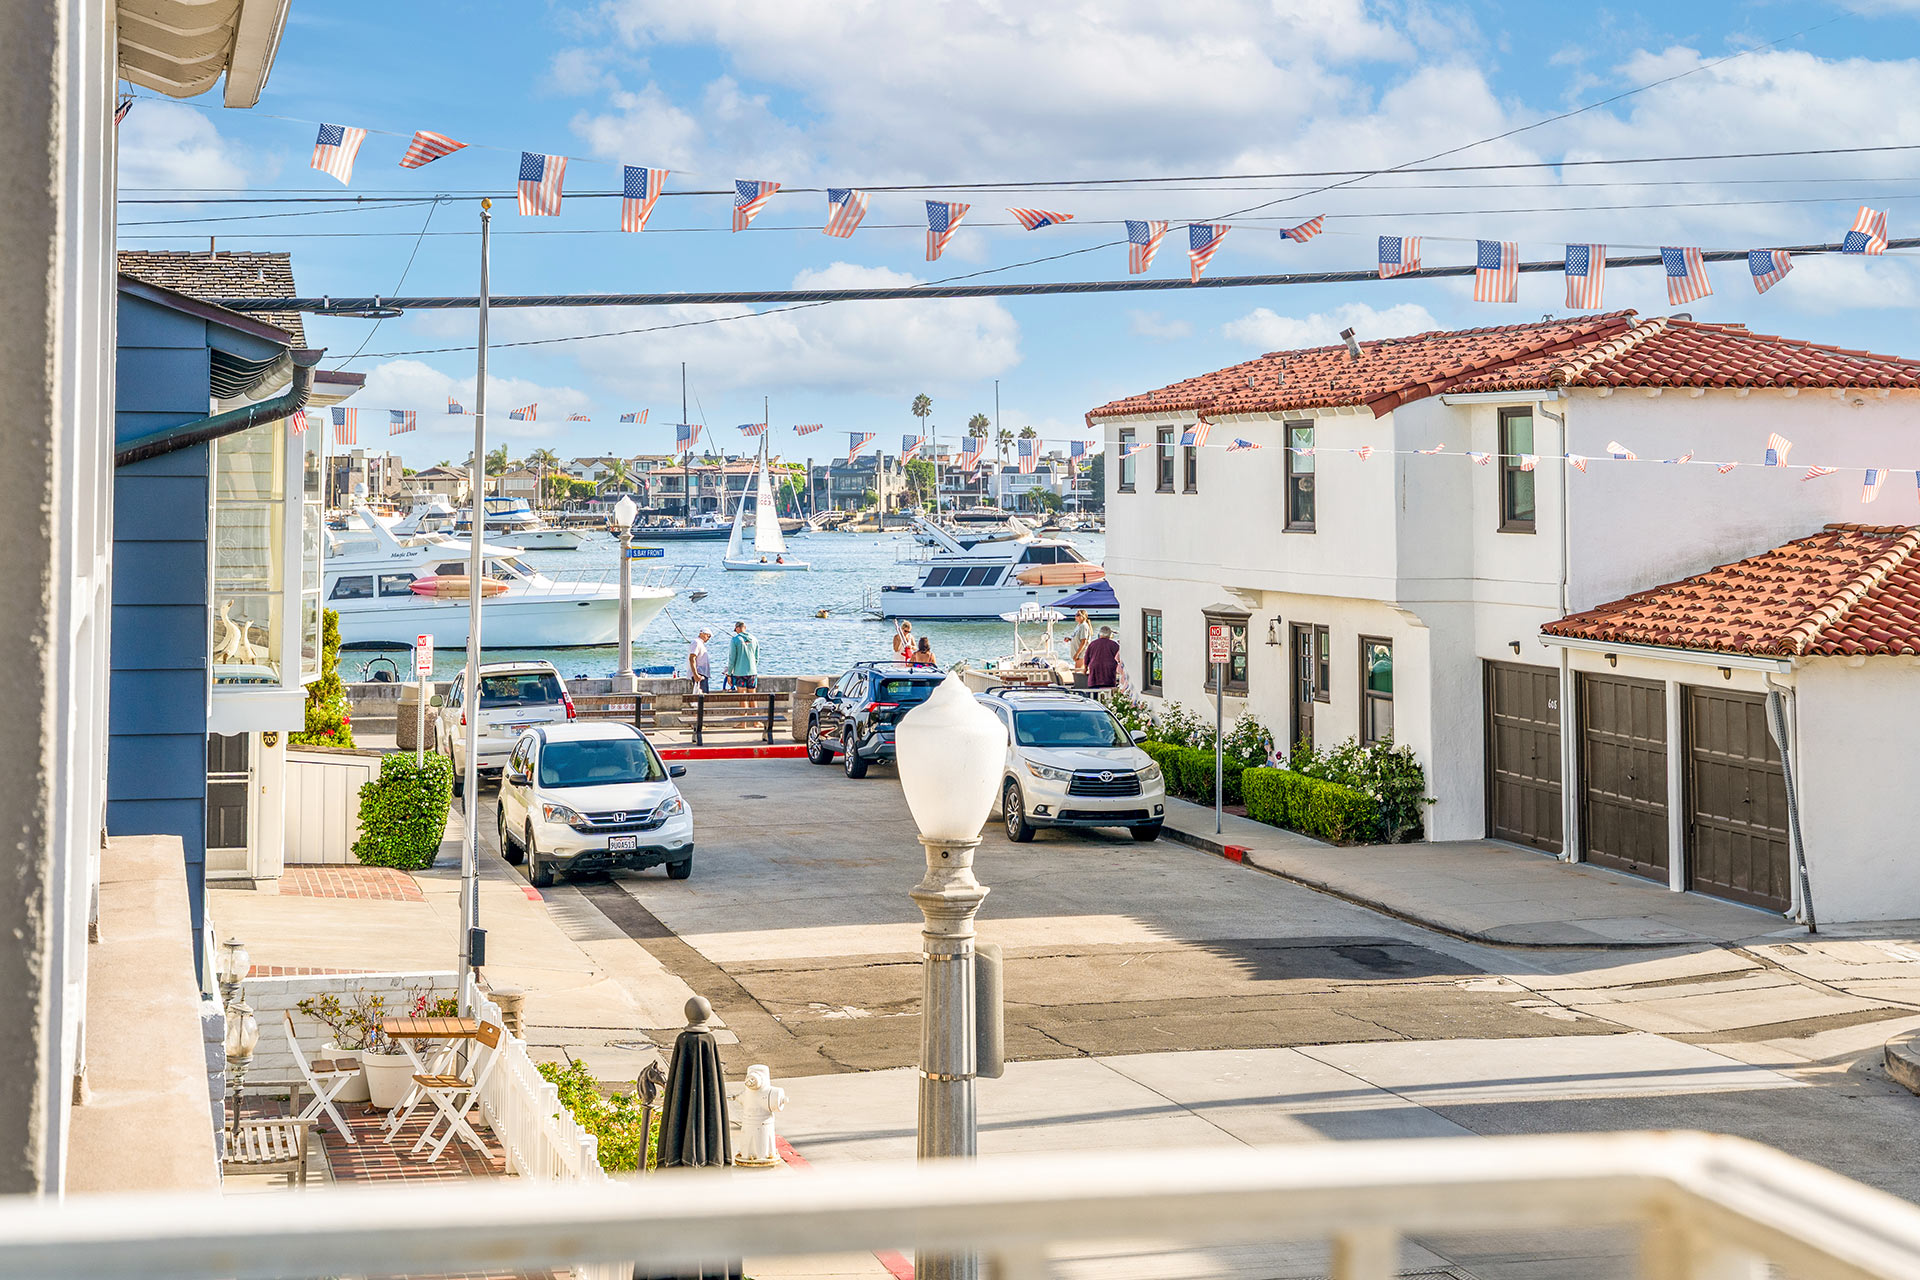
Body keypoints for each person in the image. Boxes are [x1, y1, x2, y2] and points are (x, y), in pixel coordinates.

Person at [1084, 625, 1120, 690]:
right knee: (1108, 689)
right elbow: (1119, 658)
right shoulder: (1114, 645)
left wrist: (1085, 669)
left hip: (1095, 670)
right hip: (1109, 671)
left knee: (1094, 689)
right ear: (1109, 635)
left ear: (1100, 634)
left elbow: (1086, 658)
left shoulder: (1092, 644)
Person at [728, 620, 760, 691]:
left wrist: (729, 673)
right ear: (745, 627)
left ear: (737, 628)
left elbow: (732, 659)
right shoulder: (754, 639)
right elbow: (757, 658)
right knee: (753, 697)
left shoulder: (735, 639)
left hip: (739, 673)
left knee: (742, 698)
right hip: (752, 672)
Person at [687, 628, 712, 692]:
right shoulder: (696, 642)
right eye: (708, 636)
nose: (708, 638)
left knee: (704, 696)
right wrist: (696, 675)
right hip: (699, 674)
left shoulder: (700, 643)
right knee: (700, 697)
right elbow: (692, 658)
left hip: (702, 674)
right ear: (702, 634)